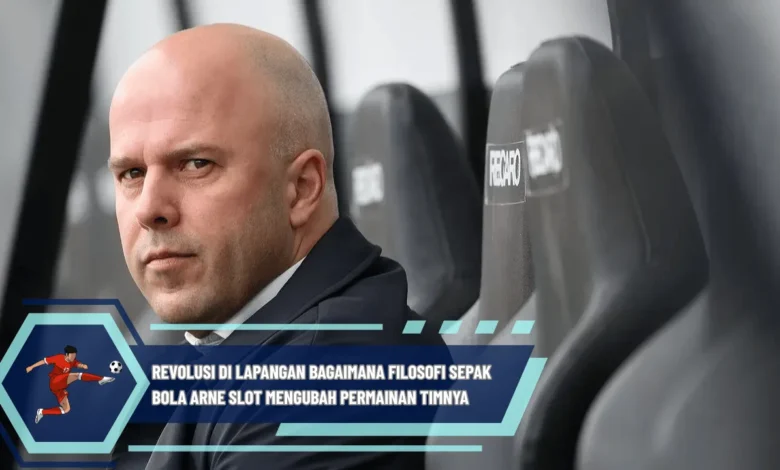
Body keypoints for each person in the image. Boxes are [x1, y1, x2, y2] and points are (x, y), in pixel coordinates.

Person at [108, 23, 446, 469]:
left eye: (195, 164)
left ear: (302, 188)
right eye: (132, 174)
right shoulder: (228, 340)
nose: (149, 208)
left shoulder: (324, 380)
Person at [26, 345, 115, 422]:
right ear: (67, 354)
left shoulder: (72, 361)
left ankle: (42, 412)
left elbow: (77, 364)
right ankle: (101, 379)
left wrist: (82, 365)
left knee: (66, 409)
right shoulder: (59, 358)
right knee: (76, 375)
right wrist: (31, 367)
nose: (73, 357)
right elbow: (43, 361)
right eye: (72, 355)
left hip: (60, 388)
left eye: (75, 355)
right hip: (55, 381)